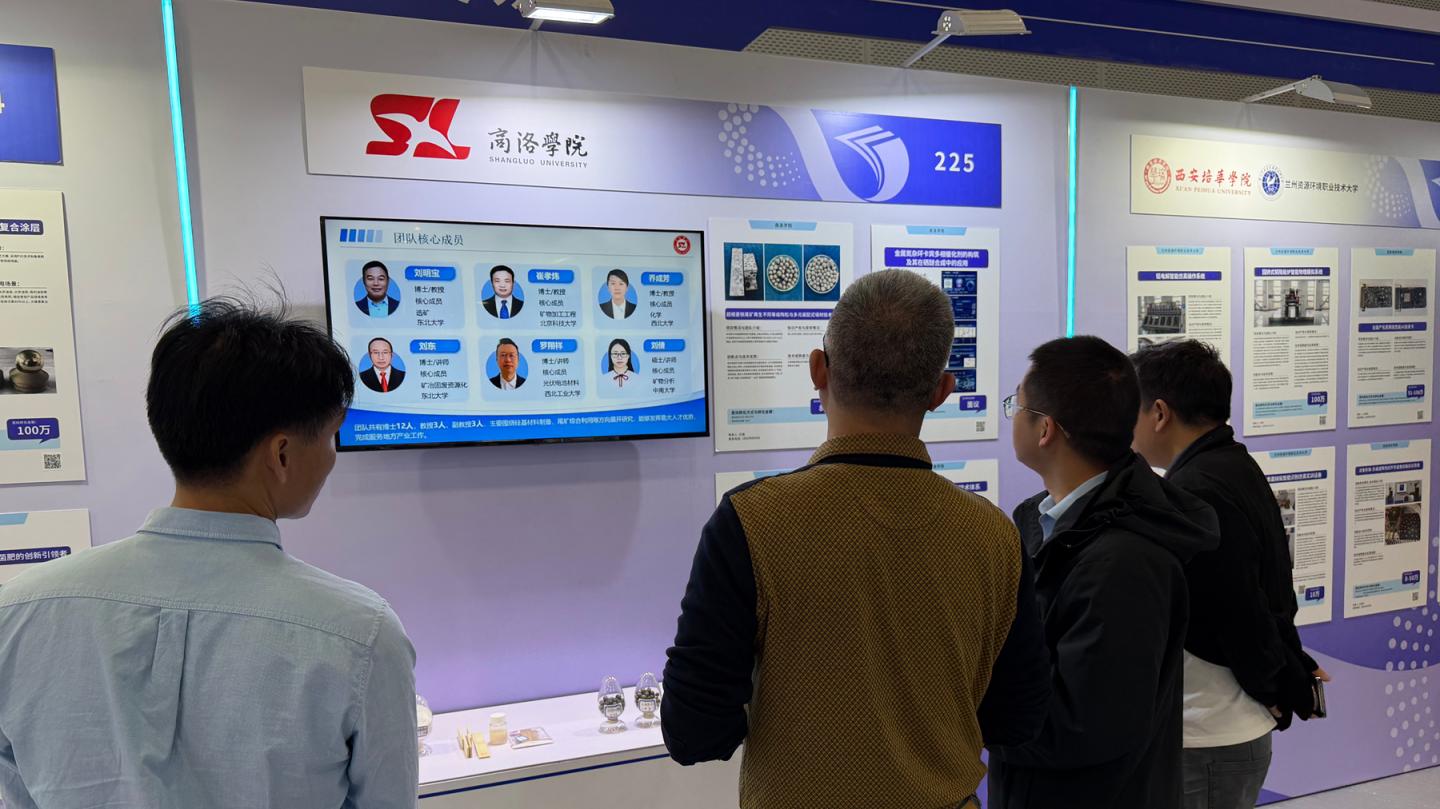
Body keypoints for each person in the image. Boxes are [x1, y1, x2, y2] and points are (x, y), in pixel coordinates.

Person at [0, 297, 418, 809]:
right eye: (332, 436)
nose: (332, 457)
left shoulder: (16, 613)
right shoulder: (361, 633)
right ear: (282, 454)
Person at [663, 270, 1049, 809]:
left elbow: (694, 732)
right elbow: (1016, 719)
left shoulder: (751, 521)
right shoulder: (994, 535)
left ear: (818, 369)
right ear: (942, 391)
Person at [988, 335, 1219, 809]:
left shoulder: (1123, 563)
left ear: (1046, 429)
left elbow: (1078, 726)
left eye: (1016, 404)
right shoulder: (1043, 521)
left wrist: (966, 705)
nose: (1011, 416)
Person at [1130, 339, 1327, 809]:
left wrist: (1273, 685)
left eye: (1130, 410)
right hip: (1223, 728)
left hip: (1212, 733)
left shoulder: (1196, 490)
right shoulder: (1229, 465)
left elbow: (1238, 610)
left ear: (1159, 413)